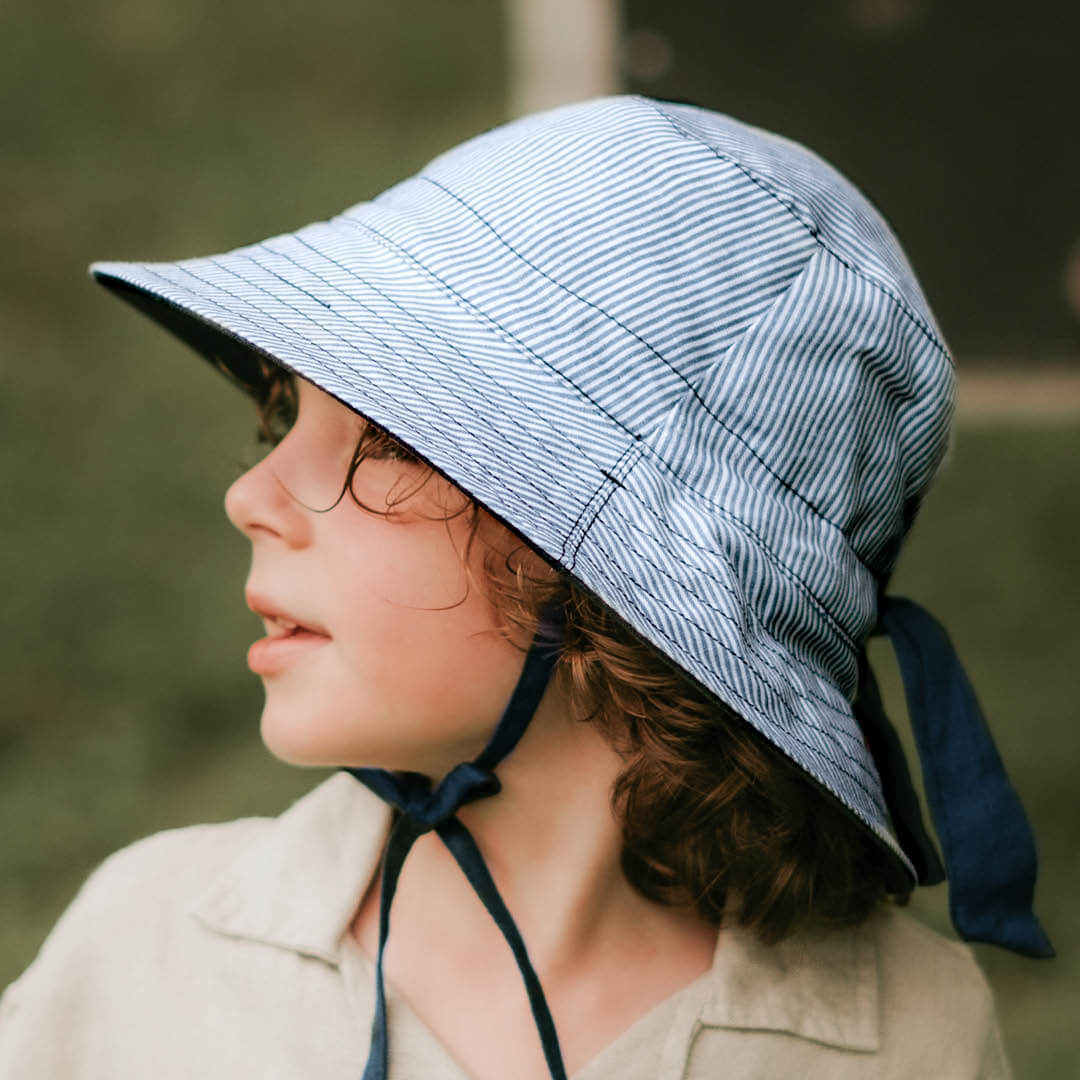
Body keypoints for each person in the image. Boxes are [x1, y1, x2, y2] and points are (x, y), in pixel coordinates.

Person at [0, 95, 1052, 1079]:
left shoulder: (903, 1037)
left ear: (613, 589)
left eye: (389, 440)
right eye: (285, 417)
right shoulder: (151, 951)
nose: (252, 492)